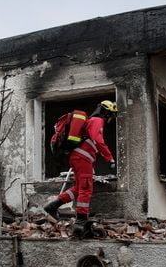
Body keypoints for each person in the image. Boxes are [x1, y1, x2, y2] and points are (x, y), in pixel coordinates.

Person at [43, 100, 117, 237]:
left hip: (78, 158)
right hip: (83, 158)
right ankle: (81, 220)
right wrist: (109, 158)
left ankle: (52, 206)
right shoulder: (97, 120)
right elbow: (98, 139)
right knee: (86, 188)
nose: (111, 118)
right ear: (107, 112)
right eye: (111, 115)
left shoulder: (91, 121)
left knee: (78, 188)